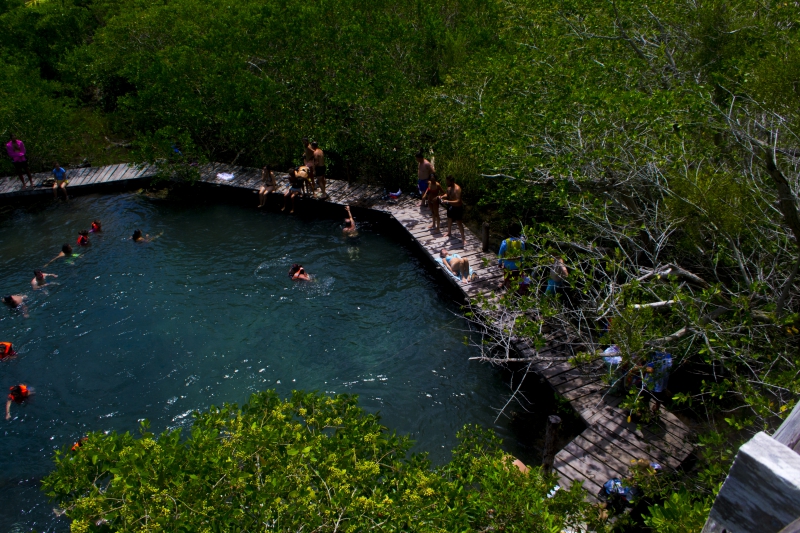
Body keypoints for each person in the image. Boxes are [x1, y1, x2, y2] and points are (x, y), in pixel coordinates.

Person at [438, 175, 465, 244]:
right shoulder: (449, 187)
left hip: (458, 207)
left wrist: (447, 201)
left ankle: (463, 238)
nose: (446, 182)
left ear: (452, 181)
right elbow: (448, 195)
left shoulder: (457, 189)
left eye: (448, 181)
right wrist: (442, 196)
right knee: (449, 218)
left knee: (459, 222)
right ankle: (449, 232)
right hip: (451, 206)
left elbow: (458, 201)